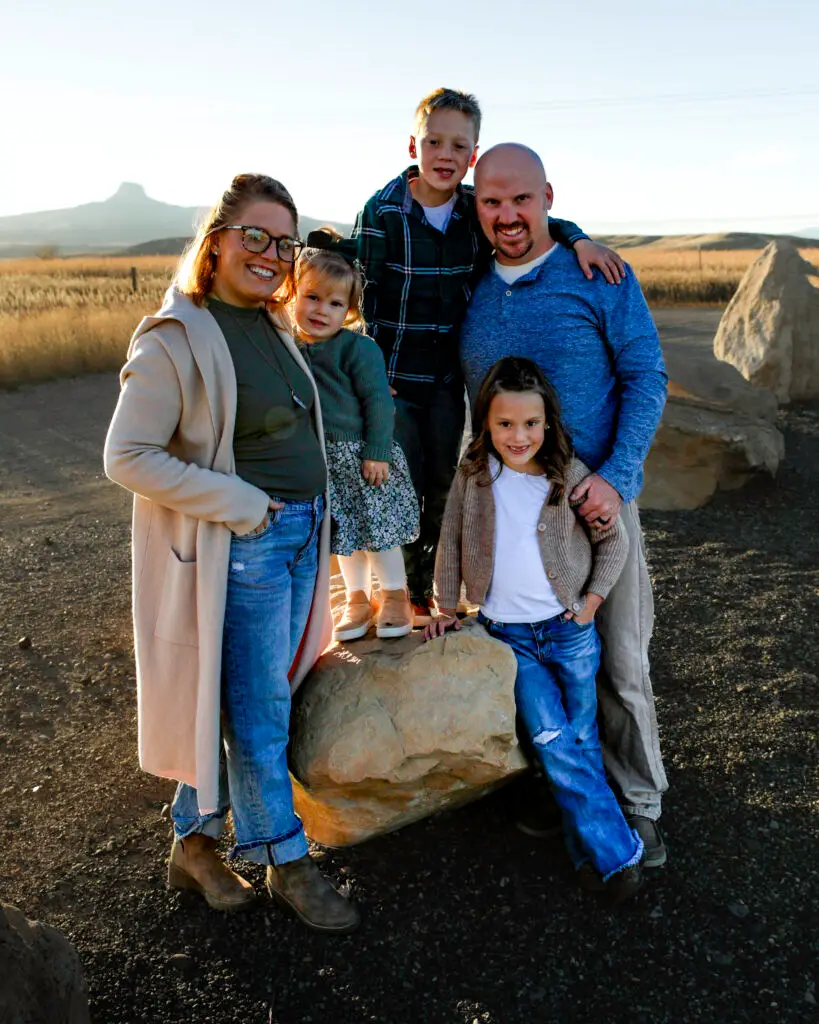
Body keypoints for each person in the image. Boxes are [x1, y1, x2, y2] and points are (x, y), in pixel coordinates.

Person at [104, 173, 360, 933]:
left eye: (284, 242)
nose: (272, 254)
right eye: (255, 236)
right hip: (243, 547)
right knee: (260, 712)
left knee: (253, 696)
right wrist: (243, 505)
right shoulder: (176, 335)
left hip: (302, 535)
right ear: (214, 242)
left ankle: (192, 843)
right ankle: (287, 860)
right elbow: (127, 455)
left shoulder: (274, 324)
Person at [459, 144, 670, 868]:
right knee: (528, 664)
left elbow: (646, 373)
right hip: (505, 518)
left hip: (593, 506)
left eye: (521, 199)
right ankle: (560, 796)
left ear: (547, 196)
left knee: (616, 662)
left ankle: (638, 806)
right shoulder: (473, 286)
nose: (507, 215)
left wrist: (617, 475)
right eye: (491, 202)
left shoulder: (598, 275)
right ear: (476, 206)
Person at [353, 87, 626, 624]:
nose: (445, 154)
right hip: (392, 378)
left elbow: (532, 218)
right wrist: (368, 370)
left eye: (459, 145)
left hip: (445, 381)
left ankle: (427, 587)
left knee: (441, 482)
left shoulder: (472, 210)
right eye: (434, 141)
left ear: (472, 155)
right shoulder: (382, 211)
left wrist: (579, 240)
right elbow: (363, 292)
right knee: (395, 478)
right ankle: (396, 589)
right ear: (414, 144)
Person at [427, 357, 644, 904]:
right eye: (504, 424)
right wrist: (444, 606)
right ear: (486, 425)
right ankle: (620, 855)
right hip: (508, 638)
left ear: (547, 424)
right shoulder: (473, 476)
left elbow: (613, 542)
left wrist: (591, 603)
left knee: (581, 739)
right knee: (551, 735)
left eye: (530, 423)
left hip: (569, 631)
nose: (518, 436)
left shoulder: (568, 475)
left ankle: (585, 852)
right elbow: (450, 540)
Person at [291, 229, 419, 640]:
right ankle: (358, 600)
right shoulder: (291, 346)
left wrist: (377, 451)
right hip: (325, 462)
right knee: (344, 535)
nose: (321, 310)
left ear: (348, 310)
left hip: (365, 459)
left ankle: (396, 596)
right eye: (312, 297)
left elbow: (379, 402)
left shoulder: (358, 349)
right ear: (293, 293)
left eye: (334, 303)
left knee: (379, 533)